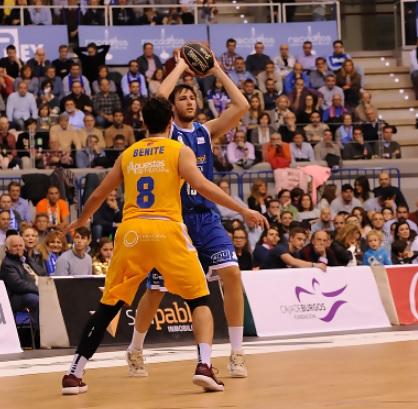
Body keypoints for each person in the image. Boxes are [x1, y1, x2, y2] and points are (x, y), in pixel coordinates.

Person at [61, 97, 266, 395]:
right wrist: (242, 210)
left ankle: (74, 373)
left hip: (131, 232)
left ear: (142, 123)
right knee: (199, 300)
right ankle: (204, 366)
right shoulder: (179, 150)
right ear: (171, 121)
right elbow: (205, 186)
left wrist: (82, 219)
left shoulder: (128, 154)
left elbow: (98, 194)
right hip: (166, 229)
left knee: (108, 306)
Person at [130, 51, 260, 379]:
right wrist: (181, 68)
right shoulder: (165, 133)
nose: (189, 100)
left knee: (232, 273)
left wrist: (215, 68)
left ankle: (236, 353)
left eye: (192, 96)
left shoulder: (204, 131)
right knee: (156, 291)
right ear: (172, 108)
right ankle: (135, 348)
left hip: (206, 216)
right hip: (175, 219)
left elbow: (242, 106)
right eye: (182, 98)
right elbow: (157, 98)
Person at [0, 235, 40, 329]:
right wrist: (39, 289)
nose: (18, 248)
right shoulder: (8, 264)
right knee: (35, 299)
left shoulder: (25, 259)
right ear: (7, 249)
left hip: (33, 290)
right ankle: (38, 332)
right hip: (15, 297)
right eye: (15, 246)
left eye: (20, 245)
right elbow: (18, 285)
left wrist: (28, 259)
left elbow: (41, 272)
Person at [262, 227, 326, 270]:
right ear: (291, 238)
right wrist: (315, 265)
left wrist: (323, 255)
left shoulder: (296, 253)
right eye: (299, 239)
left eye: (304, 240)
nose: (302, 242)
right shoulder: (280, 248)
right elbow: (292, 262)